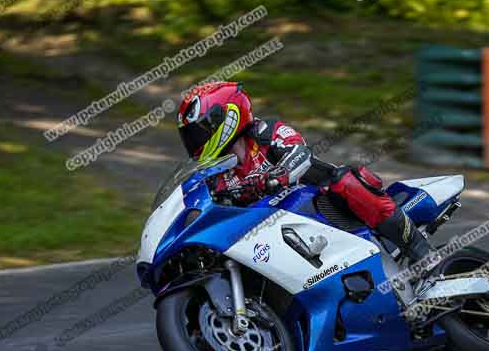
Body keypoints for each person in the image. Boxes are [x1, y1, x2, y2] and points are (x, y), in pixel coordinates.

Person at [177, 81, 433, 269]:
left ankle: (423, 253)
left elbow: (301, 153)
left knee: (346, 179)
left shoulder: (266, 133)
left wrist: (277, 176)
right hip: (273, 236)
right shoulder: (216, 176)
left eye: (198, 132)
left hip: (324, 209)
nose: (194, 142)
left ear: (225, 117)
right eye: (190, 137)